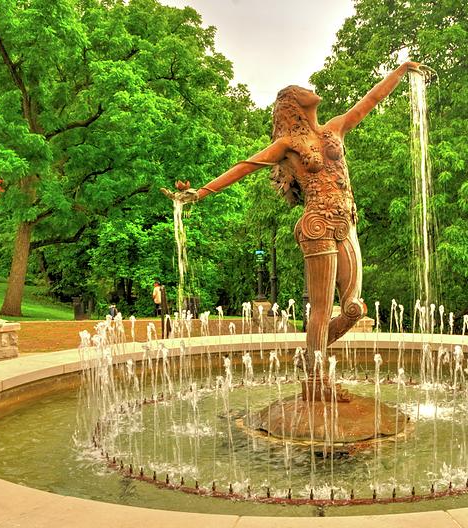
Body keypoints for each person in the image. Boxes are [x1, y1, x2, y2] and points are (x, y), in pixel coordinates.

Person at [162, 60, 421, 390]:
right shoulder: (287, 145)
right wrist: (199, 193)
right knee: (322, 309)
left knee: (354, 308)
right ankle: (316, 379)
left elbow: (371, 101)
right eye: (302, 90)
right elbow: (245, 166)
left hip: (347, 221)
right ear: (292, 104)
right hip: (317, 224)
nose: (310, 90)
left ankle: (310, 355)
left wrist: (402, 70)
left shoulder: (335, 128)